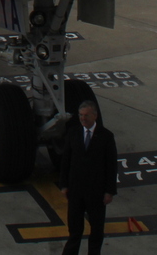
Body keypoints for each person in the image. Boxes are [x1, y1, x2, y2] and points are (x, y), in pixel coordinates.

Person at [58, 100, 118, 255]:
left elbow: (111, 165)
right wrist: (64, 185)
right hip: (76, 192)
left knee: (97, 231)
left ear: (95, 116)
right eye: (80, 115)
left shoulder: (106, 137)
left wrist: (109, 191)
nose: (83, 118)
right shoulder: (73, 133)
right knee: (75, 231)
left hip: (96, 193)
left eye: (86, 115)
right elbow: (66, 160)